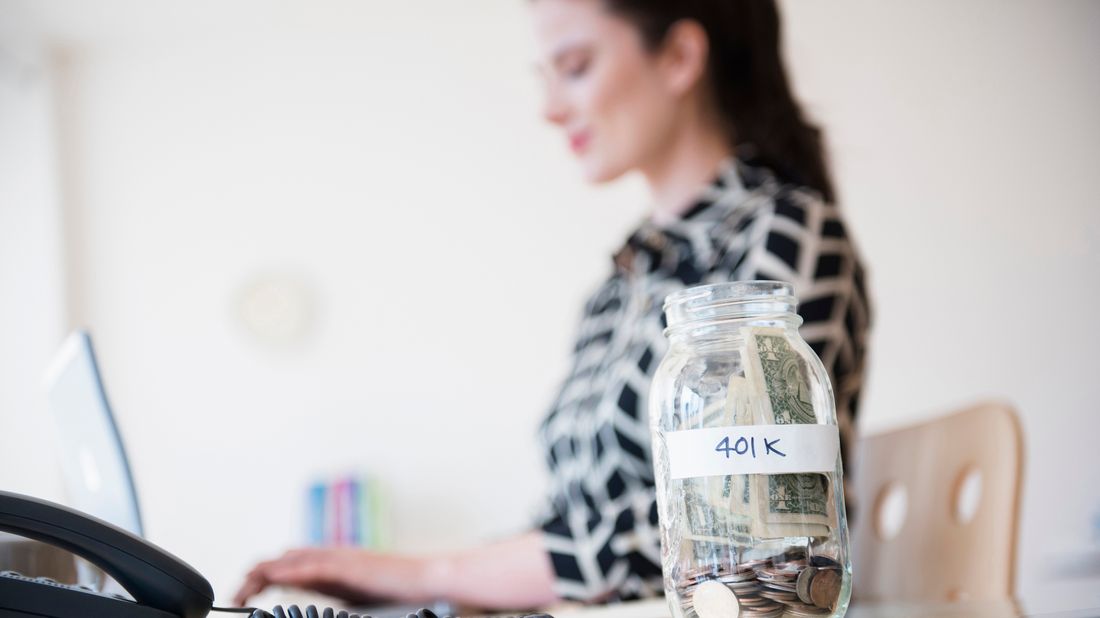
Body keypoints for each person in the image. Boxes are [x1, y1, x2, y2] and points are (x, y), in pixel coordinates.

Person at [233, 0, 870, 609]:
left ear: (678, 56)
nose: (548, 109)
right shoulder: (618, 286)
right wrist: (433, 583)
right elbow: (572, 522)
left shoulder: (786, 240)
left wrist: (426, 575)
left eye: (574, 68)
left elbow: (736, 535)